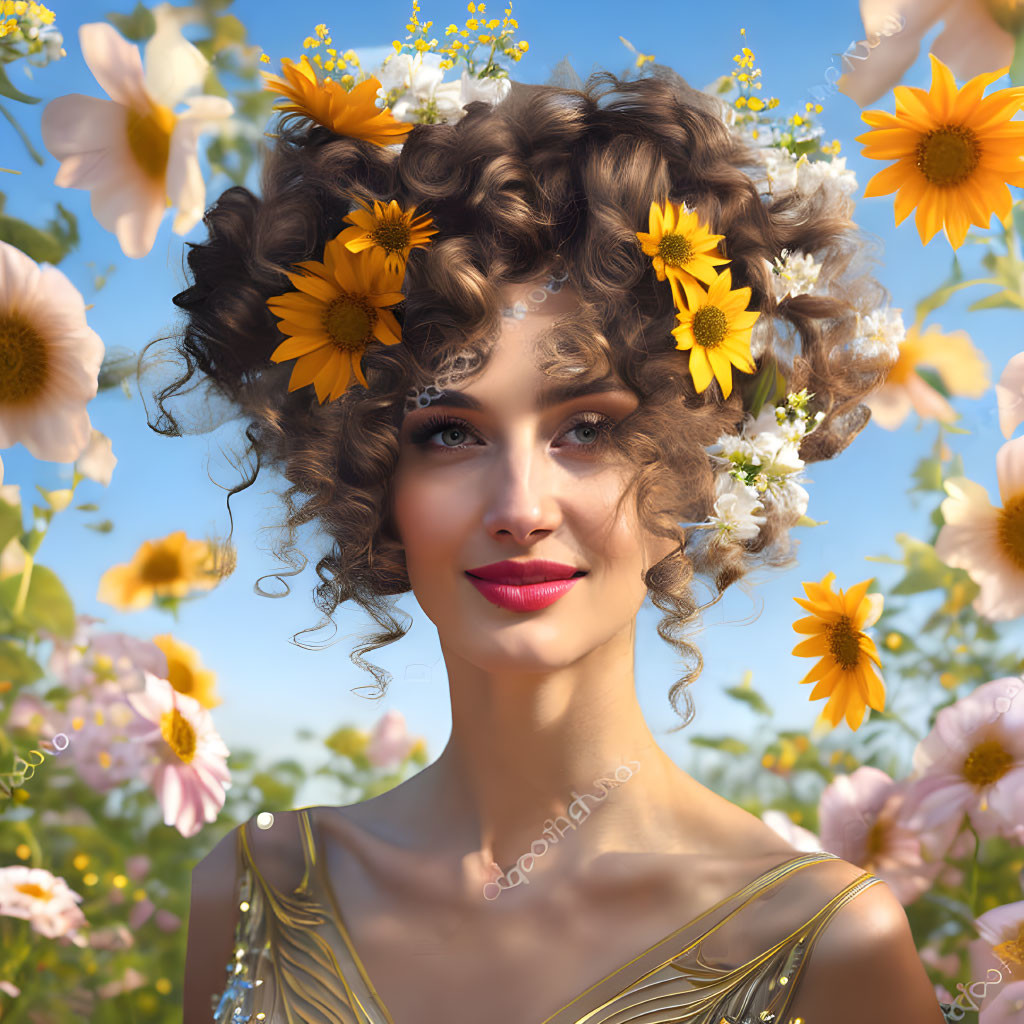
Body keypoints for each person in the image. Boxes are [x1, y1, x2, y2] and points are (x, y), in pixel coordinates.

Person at [149, 58, 953, 1024]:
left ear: (692, 466)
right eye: (449, 433)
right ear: (367, 479)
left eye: (588, 429)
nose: (520, 504)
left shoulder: (827, 943)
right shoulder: (252, 894)